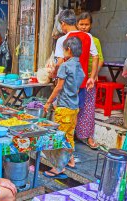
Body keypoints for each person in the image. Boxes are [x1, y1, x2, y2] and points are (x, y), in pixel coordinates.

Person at [50, 9, 99, 167]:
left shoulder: (63, 41)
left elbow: (59, 62)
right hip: (82, 83)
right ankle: (70, 155)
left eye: (61, 25)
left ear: (63, 23)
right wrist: (92, 76)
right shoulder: (88, 36)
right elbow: (95, 56)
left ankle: (62, 159)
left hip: (65, 86)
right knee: (74, 117)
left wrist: (53, 72)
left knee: (63, 122)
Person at [44, 37, 85, 178]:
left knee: (60, 138)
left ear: (68, 50)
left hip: (64, 107)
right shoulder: (80, 67)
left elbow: (59, 87)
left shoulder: (65, 66)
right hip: (74, 106)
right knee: (69, 135)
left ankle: (59, 167)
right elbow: (77, 89)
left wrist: (49, 102)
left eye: (63, 50)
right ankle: (70, 160)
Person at [75, 12, 104, 150]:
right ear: (76, 24)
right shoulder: (74, 39)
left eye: (86, 24)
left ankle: (88, 136)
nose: (84, 27)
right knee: (74, 106)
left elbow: (100, 59)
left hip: (89, 80)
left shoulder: (95, 40)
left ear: (90, 25)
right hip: (75, 79)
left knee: (88, 108)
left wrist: (94, 75)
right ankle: (73, 134)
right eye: (81, 24)